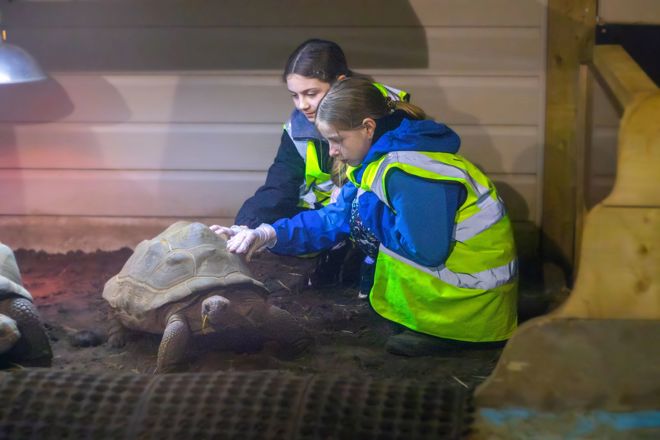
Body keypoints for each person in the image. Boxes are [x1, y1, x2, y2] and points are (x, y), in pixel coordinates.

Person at [213, 77, 518, 356]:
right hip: (460, 297)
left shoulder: (409, 171)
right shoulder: (385, 158)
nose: (332, 151)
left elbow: (428, 250)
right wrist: (265, 234)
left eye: (337, 140)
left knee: (362, 210)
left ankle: (446, 335)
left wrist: (369, 212)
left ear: (368, 128)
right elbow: (332, 219)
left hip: (469, 313)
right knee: (358, 208)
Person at [229, 39, 409, 289]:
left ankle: (358, 261)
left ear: (340, 83)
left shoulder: (381, 115)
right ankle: (332, 250)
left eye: (311, 93)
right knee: (259, 216)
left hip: (364, 210)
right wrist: (248, 227)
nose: (302, 105)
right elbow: (279, 186)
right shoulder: (297, 126)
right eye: (295, 95)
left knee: (363, 210)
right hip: (327, 214)